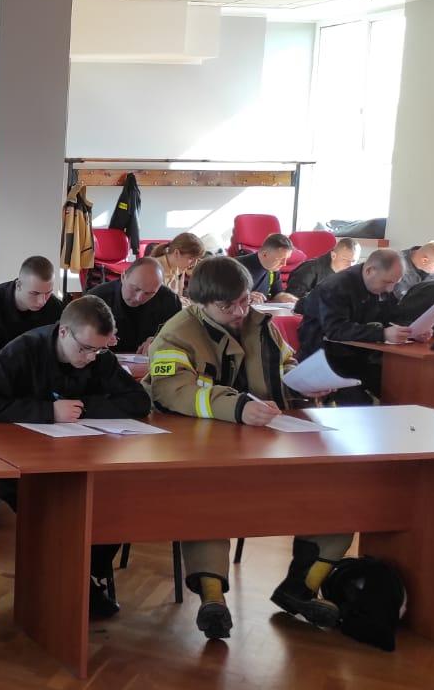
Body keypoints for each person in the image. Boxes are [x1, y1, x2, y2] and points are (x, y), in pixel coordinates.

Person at [142, 256, 348, 642]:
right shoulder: (175, 334)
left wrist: (302, 381)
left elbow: (285, 364)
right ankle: (212, 599)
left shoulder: (261, 325)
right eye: (228, 306)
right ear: (201, 302)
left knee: (337, 490)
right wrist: (237, 407)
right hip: (202, 448)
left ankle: (301, 588)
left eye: (244, 301)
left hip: (268, 439)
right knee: (208, 499)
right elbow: (171, 388)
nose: (239, 312)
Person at [0, 296, 150, 619]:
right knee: (57, 508)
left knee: (117, 501)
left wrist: (82, 409)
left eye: (97, 351)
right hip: (20, 460)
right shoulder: (22, 351)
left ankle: (87, 575)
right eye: (85, 349)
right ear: (64, 332)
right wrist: (47, 411)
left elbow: (138, 401)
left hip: (78, 455)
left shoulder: (97, 355)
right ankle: (68, 584)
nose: (90, 358)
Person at [296, 249, 424, 401]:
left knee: (401, 389)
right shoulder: (336, 286)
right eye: (388, 282)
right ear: (370, 271)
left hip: (360, 357)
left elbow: (394, 316)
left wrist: (411, 331)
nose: (390, 289)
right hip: (326, 357)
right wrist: (382, 334)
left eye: (395, 283)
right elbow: (335, 330)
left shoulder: (381, 285)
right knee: (360, 402)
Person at [85, 258, 180, 355]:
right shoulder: (95, 299)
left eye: (149, 293)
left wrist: (160, 341)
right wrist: (95, 340)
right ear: (123, 277)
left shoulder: (170, 301)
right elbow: (78, 341)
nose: (139, 298)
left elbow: (178, 338)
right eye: (135, 289)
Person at [287, 238, 360, 299]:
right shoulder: (309, 269)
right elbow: (292, 297)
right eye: (345, 259)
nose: (350, 265)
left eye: (353, 261)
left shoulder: (353, 273)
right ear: (333, 256)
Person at [234, 233, 297, 303]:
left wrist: (287, 297)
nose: (284, 264)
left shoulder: (274, 268)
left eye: (286, 259)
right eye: (280, 259)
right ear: (264, 254)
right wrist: (244, 297)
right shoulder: (236, 266)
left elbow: (277, 293)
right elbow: (225, 296)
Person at [150, 232, 205, 299]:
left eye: (197, 259)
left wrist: (181, 301)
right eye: (191, 258)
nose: (194, 263)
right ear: (176, 253)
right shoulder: (153, 269)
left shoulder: (180, 268)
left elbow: (178, 297)